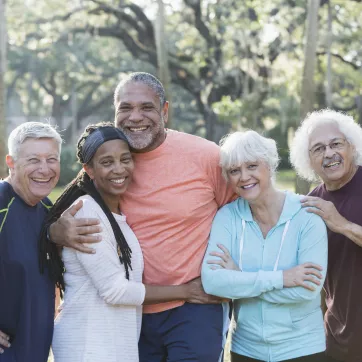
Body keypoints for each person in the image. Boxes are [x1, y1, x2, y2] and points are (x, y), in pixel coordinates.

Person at [48, 73, 234, 362]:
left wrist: (236, 267)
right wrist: (53, 232)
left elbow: (242, 210)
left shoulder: (206, 156)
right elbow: (59, 210)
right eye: (125, 108)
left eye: (146, 107)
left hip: (195, 305)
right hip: (130, 316)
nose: (135, 117)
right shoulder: (106, 163)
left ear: (165, 111)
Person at [202, 130, 328, 362]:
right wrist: (281, 278)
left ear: (269, 165)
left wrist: (240, 278)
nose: (243, 176)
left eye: (252, 166)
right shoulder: (227, 217)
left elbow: (307, 288)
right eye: (234, 171)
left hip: (303, 347)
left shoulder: (307, 215)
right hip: (247, 349)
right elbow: (213, 282)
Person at [290, 109, 362, 362]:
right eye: (318, 149)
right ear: (308, 161)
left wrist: (341, 224)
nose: (329, 153)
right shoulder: (311, 205)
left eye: (336, 144)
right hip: (337, 341)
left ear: (352, 147)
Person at [0, 122, 61, 361]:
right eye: (33, 160)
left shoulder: (50, 212)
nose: (44, 169)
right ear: (11, 162)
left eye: (51, 159)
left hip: (35, 351)